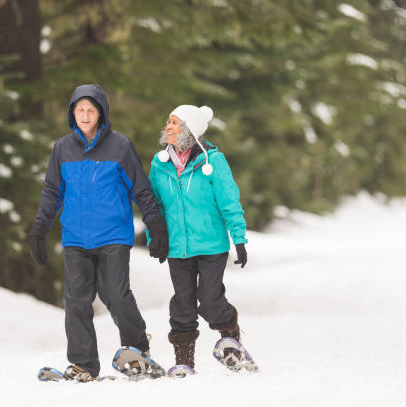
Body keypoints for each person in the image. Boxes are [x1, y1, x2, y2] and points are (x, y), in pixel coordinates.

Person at [28, 84, 169, 382]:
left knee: (116, 296)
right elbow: (53, 192)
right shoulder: (62, 149)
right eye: (80, 110)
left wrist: (155, 224)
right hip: (76, 239)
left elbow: (141, 189)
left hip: (113, 235)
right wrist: (40, 228)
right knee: (76, 301)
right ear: (72, 113)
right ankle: (83, 364)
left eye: (91, 110)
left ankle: (137, 350)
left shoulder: (120, 146)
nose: (85, 115)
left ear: (101, 113)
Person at [148, 104, 250, 376]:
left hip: (211, 245)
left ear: (189, 130)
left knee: (210, 300)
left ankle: (230, 333)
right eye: (168, 121)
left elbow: (229, 200)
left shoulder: (212, 161)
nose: (167, 127)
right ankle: (184, 362)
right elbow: (154, 205)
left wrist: (238, 238)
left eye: (174, 123)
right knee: (183, 302)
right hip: (177, 248)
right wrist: (155, 237)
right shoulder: (160, 163)